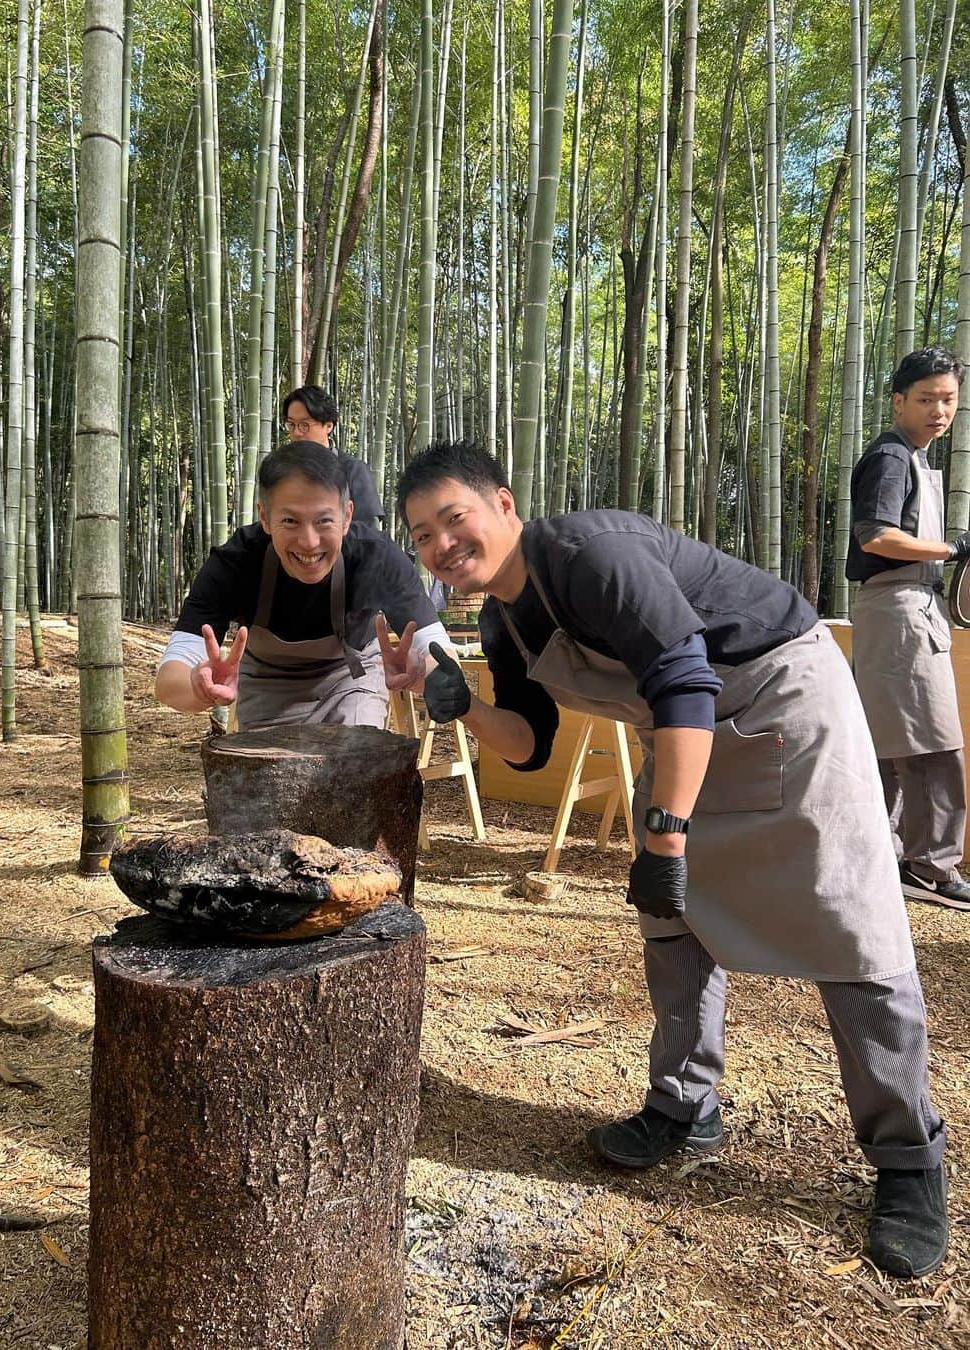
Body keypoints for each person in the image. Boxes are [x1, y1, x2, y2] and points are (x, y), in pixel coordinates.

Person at [386, 439, 949, 1280]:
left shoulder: (587, 555)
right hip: (683, 730)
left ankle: (910, 1164)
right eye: (422, 536)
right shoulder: (506, 618)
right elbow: (533, 745)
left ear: (504, 505)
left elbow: (685, 674)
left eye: (452, 519)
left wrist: (665, 833)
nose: (441, 546)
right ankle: (685, 1106)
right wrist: (463, 705)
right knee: (672, 921)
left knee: (850, 927)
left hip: (785, 699)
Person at [155, 441, 446, 729]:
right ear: (265, 517)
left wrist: (420, 674)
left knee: (355, 765)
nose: (309, 542)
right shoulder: (236, 563)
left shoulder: (377, 557)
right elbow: (169, 681)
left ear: (346, 516)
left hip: (352, 681)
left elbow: (441, 656)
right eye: (291, 521)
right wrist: (199, 688)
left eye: (324, 521)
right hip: (267, 690)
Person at [847, 347, 970, 911]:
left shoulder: (912, 457)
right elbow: (875, 536)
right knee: (934, 745)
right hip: (899, 608)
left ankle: (882, 853)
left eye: (948, 399)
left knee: (891, 744)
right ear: (899, 401)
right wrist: (953, 547)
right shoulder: (893, 457)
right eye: (926, 399)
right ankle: (931, 866)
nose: (939, 410)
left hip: (905, 609)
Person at [282, 385, 385, 527]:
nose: (297, 432)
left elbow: (368, 532)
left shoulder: (353, 470)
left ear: (329, 425)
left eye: (304, 425)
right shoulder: (282, 471)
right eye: (292, 425)